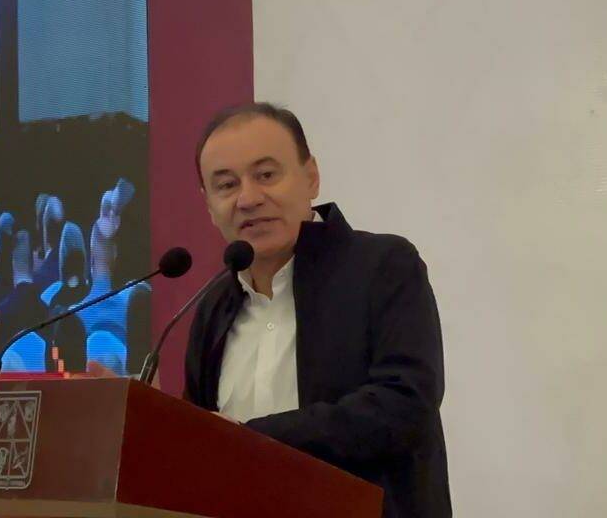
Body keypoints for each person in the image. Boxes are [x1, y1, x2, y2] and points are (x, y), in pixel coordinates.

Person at [180, 103, 450, 517]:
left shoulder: (382, 266)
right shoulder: (213, 307)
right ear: (208, 204)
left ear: (311, 177)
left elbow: (405, 405)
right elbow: (201, 443)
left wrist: (251, 438)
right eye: (227, 185)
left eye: (266, 175)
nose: (248, 199)